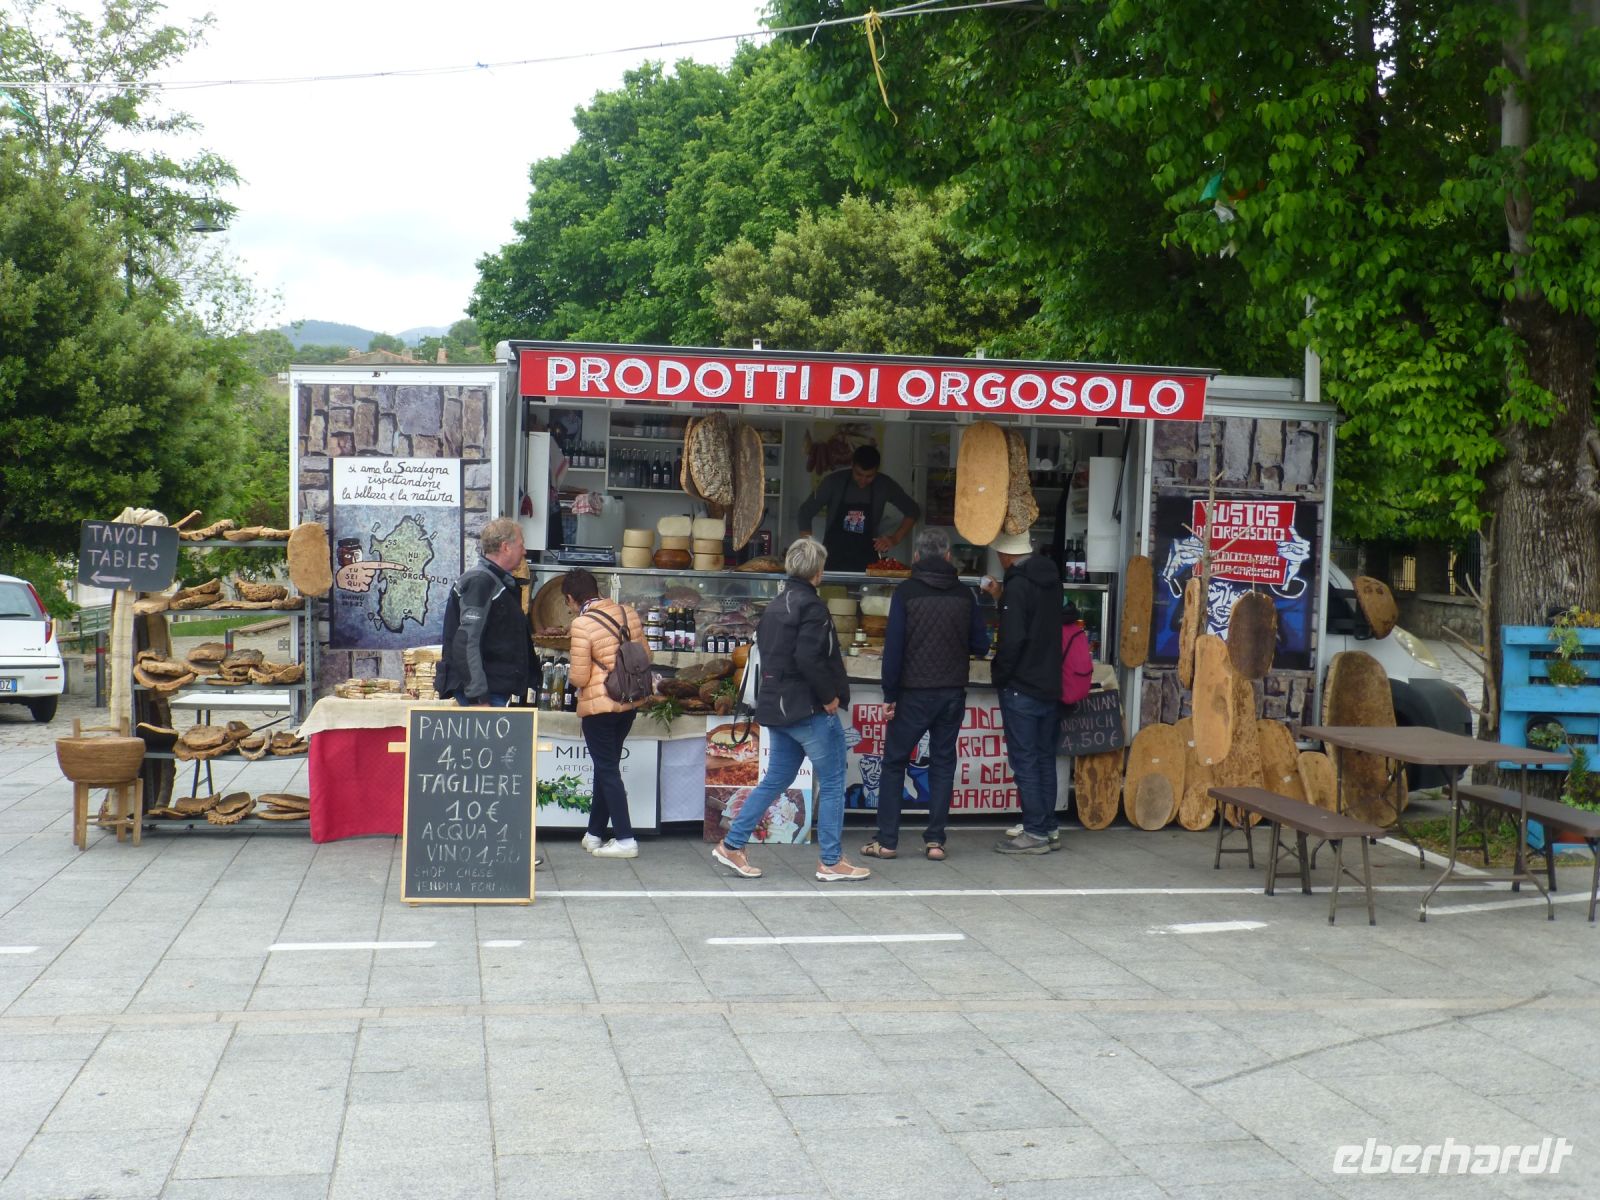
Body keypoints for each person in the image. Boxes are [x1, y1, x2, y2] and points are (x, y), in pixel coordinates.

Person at [712, 537, 870, 882]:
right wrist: (829, 696)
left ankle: (732, 844)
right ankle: (831, 860)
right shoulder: (812, 608)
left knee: (775, 780)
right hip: (806, 708)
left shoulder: (776, 605)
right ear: (818, 571)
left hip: (775, 706)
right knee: (831, 782)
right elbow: (808, 658)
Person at [862, 528, 990, 862]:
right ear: (948, 556)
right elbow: (981, 644)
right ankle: (935, 842)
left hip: (913, 695)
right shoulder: (966, 595)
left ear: (916, 556)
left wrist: (889, 693)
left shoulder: (906, 593)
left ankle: (887, 841)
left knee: (893, 763)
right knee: (943, 763)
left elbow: (894, 649)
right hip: (951, 694)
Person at [982, 530, 1064, 854]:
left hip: (1022, 686)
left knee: (1026, 760)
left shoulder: (1017, 585)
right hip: (1049, 682)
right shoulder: (1051, 579)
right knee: (1044, 757)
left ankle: (1034, 833)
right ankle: (1049, 826)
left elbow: (1012, 639)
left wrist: (999, 674)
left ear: (1004, 556)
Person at [564, 568, 651, 859]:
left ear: (571, 598)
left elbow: (578, 677)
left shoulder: (582, 624)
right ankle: (594, 833)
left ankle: (626, 839)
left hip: (599, 707)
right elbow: (646, 657)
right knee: (606, 766)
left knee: (607, 770)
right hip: (628, 702)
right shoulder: (629, 613)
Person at [438, 518, 533, 708]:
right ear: (506, 547)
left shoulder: (494, 581)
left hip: (492, 690)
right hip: (485, 693)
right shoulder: (480, 582)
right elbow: (466, 641)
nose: (524, 551)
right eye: (521, 545)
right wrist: (478, 698)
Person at [796, 445, 921, 573]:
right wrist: (809, 549)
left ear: (877, 470)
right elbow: (805, 513)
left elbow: (913, 510)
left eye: (869, 476)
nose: (863, 480)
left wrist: (895, 539)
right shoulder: (833, 483)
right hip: (833, 558)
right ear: (852, 466)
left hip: (867, 561)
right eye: (859, 474)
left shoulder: (884, 485)